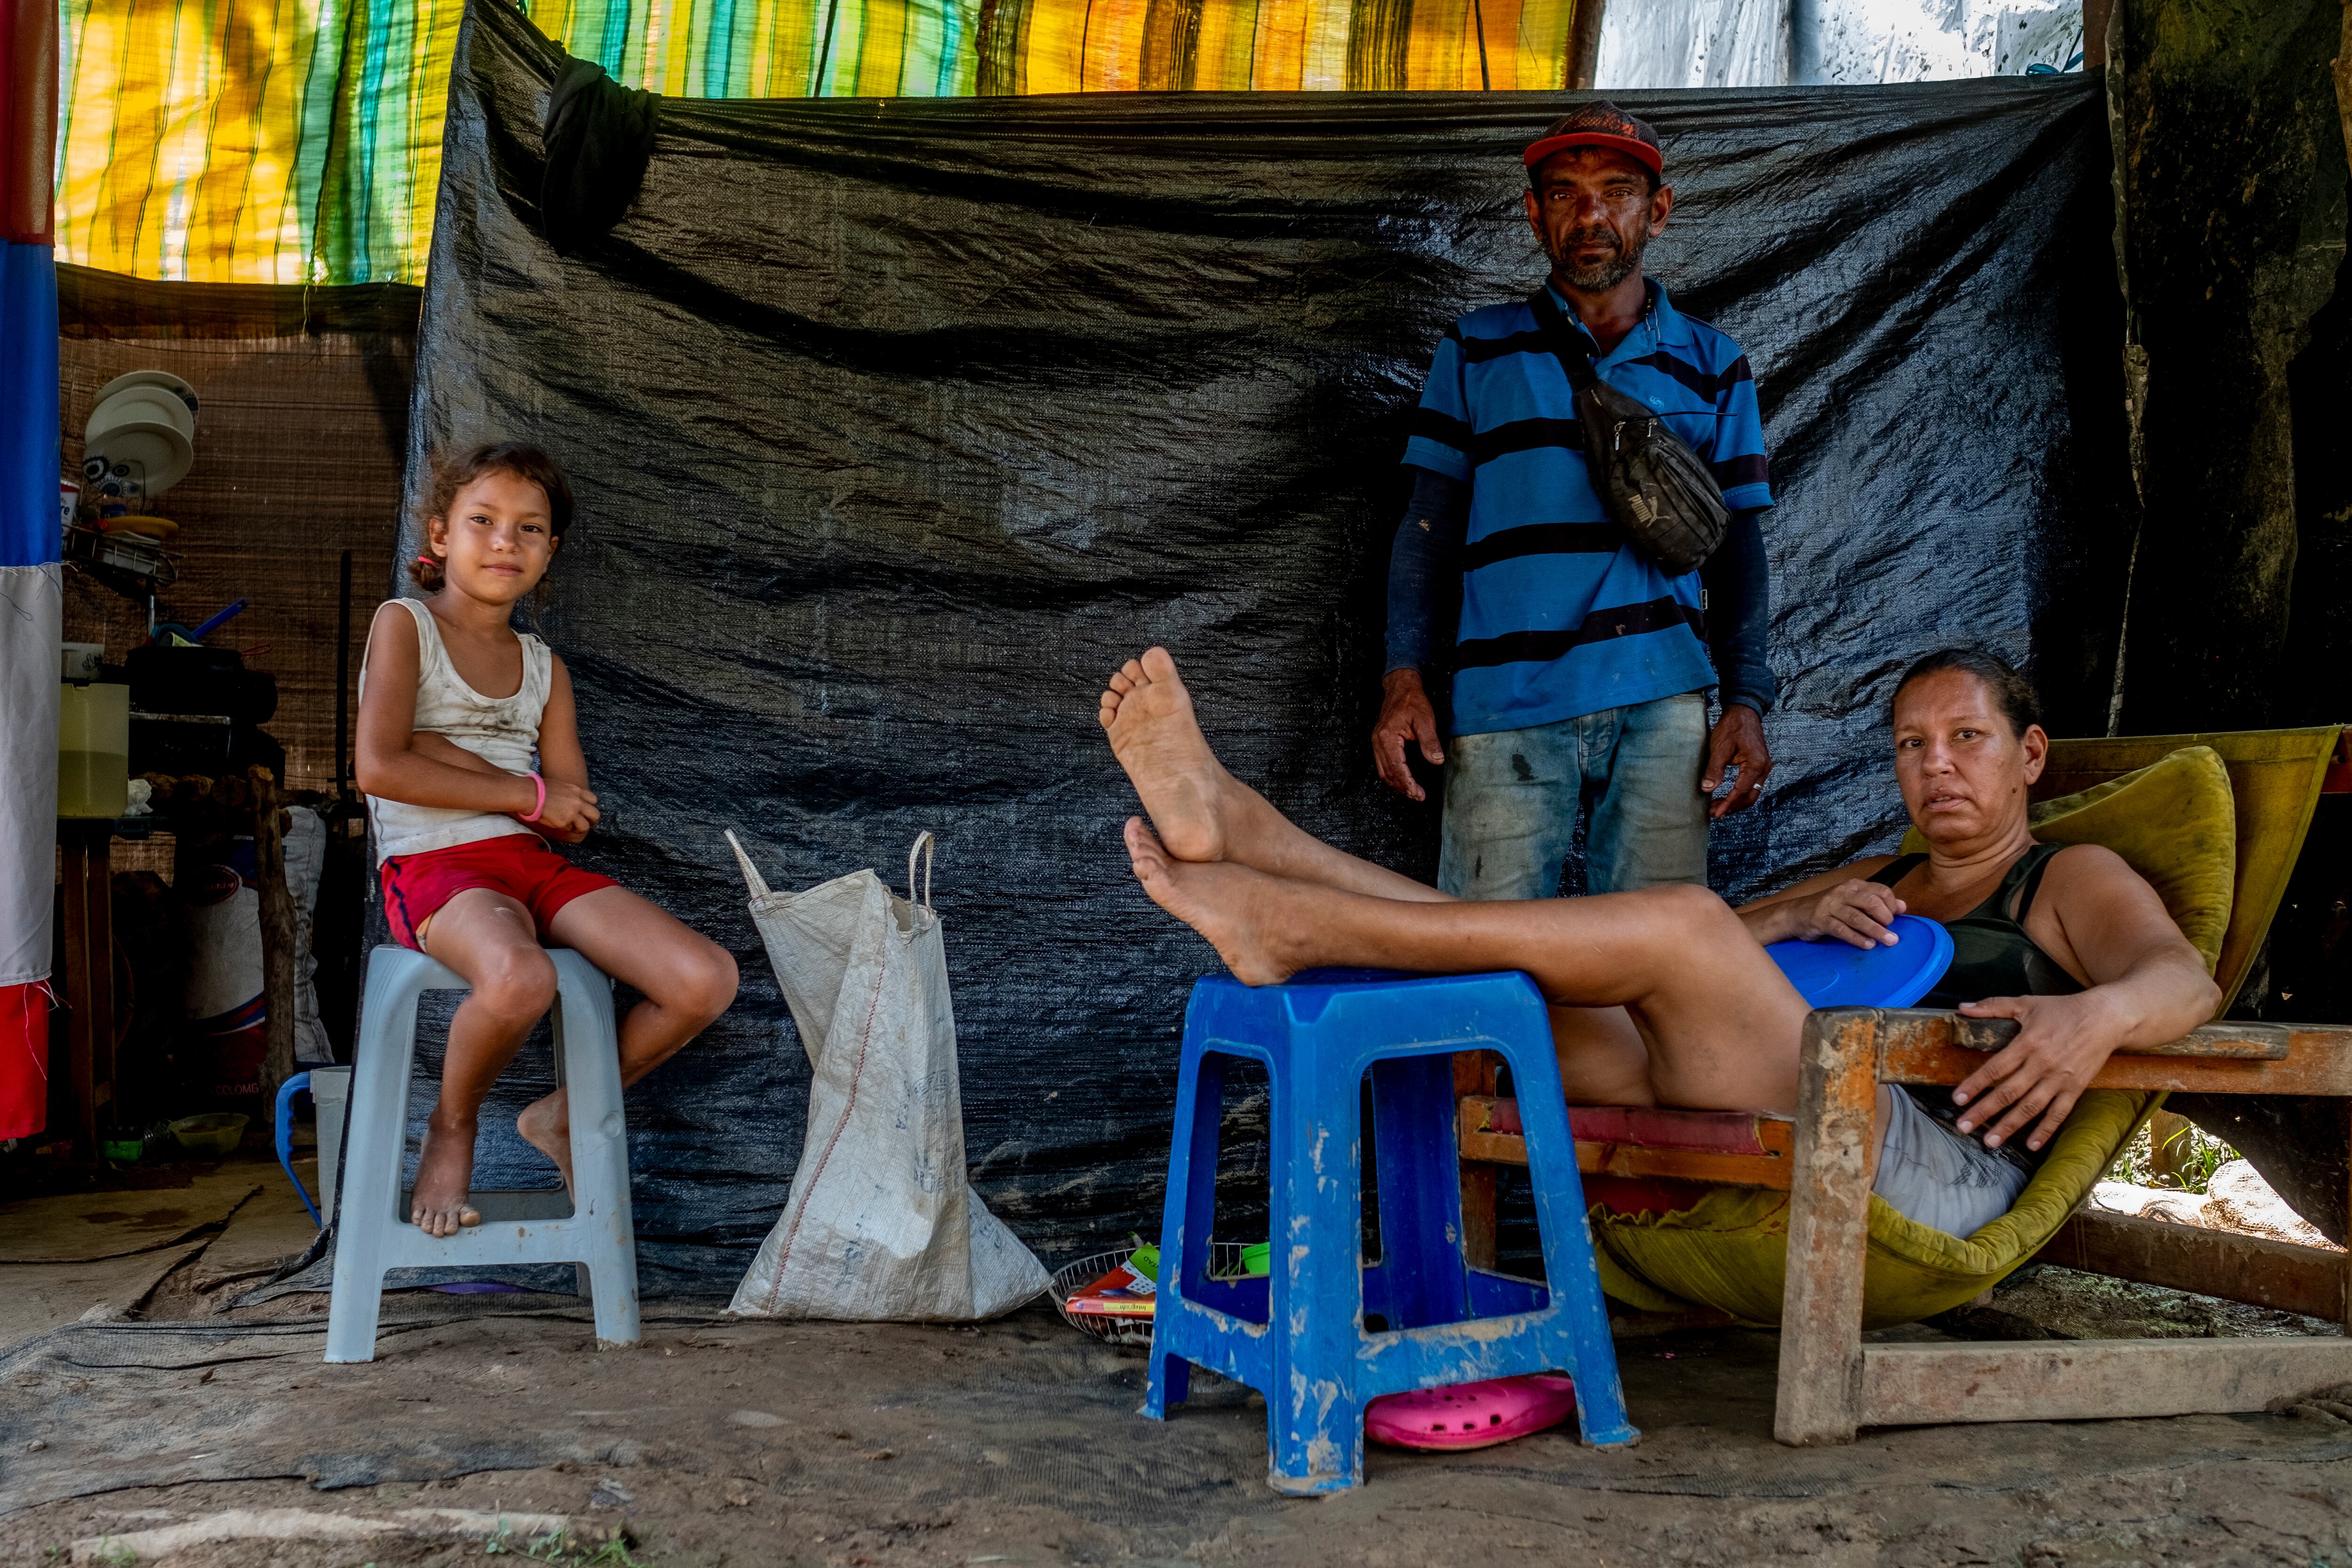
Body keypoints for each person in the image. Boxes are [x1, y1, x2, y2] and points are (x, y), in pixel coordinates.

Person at [1105, 646, 2218, 1236]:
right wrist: (1785, 914)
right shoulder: (1877, 881)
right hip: (1786, 1088)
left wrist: (2098, 1015)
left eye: (1967, 738)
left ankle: (1290, 908)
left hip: (1929, 1160)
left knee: (1681, 917)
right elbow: (1641, 958)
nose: (1936, 765)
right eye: (1912, 743)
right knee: (1526, 989)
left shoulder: (2065, 875)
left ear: (2028, 756)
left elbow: (2186, 978)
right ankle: (1265, 842)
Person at [1374, 103, 1777, 900]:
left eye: (1617, 190)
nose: (1591, 214)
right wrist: (1403, 680)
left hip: (1660, 700)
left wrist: (1746, 699)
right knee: (1484, 961)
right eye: (1563, 193)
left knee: (1657, 965)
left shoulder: (1715, 364)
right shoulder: (1476, 349)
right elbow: (1427, 530)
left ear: (1657, 211)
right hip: (1505, 702)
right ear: (1533, 214)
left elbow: (1738, 550)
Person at [354, 442, 738, 1237]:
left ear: (549, 551)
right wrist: (520, 790)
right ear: (439, 536)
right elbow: (380, 765)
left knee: (705, 978)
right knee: (520, 977)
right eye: (483, 521)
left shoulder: (543, 666)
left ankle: (563, 1115)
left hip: (529, 864)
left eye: (530, 529)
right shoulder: (405, 626)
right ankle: (452, 1125)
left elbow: (570, 807)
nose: (505, 542)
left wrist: (471, 767)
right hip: (435, 866)